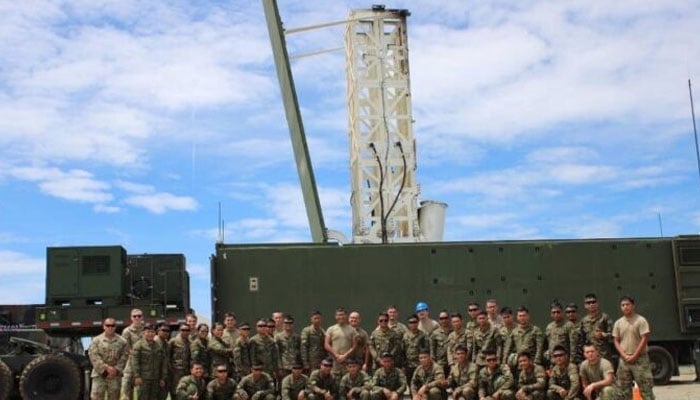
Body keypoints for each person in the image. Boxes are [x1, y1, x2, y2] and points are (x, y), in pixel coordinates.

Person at [612, 295, 655, 400]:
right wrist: (624, 355)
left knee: (646, 390)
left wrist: (635, 355)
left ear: (633, 306)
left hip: (640, 359)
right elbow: (615, 340)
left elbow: (644, 339)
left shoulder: (641, 320)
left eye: (627, 304)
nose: (625, 307)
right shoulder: (618, 323)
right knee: (622, 392)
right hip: (624, 360)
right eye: (623, 305)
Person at [88, 317, 130, 400]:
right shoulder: (96, 340)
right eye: (108, 325)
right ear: (104, 327)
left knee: (114, 397)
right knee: (96, 397)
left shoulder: (122, 341)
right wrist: (106, 368)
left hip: (115, 375)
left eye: (112, 325)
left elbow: (124, 356)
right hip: (99, 374)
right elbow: (93, 355)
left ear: (115, 327)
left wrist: (116, 369)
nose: (110, 327)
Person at [132, 323, 167, 400]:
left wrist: (162, 378)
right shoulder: (138, 345)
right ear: (143, 333)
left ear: (155, 333)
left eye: (152, 332)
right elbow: (135, 362)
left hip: (156, 378)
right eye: (148, 332)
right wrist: (137, 376)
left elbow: (163, 362)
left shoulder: (158, 346)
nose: (150, 334)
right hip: (143, 379)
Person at [121, 309, 145, 400]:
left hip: (143, 364)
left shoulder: (145, 330)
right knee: (126, 391)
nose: (137, 318)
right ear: (131, 318)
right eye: (134, 316)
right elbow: (125, 348)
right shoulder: (127, 331)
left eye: (139, 316)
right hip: (130, 364)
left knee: (142, 392)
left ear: (142, 317)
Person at [325, 308, 357, 378]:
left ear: (346, 316)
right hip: (334, 361)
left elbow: (354, 346)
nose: (341, 317)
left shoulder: (352, 330)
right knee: (334, 381)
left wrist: (345, 356)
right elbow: (326, 344)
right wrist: (336, 355)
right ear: (335, 317)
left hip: (347, 362)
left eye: (342, 315)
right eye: (338, 315)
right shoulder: (331, 329)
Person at [581, 294, 613, 361]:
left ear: (597, 304)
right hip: (590, 355)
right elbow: (582, 340)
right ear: (585, 306)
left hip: (604, 354)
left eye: (593, 302)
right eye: (588, 303)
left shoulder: (605, 317)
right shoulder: (583, 321)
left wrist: (603, 335)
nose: (591, 304)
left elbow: (613, 335)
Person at [545, 302, 576, 366]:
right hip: (553, 361)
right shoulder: (549, 327)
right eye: (553, 312)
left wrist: (572, 361)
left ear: (562, 313)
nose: (556, 314)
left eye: (558, 312)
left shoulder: (569, 325)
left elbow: (573, 345)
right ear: (551, 314)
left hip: (565, 361)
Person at [168, 324, 192, 399]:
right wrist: (170, 369)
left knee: (185, 391)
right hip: (175, 372)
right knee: (175, 391)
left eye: (187, 330)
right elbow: (167, 356)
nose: (185, 332)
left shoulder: (190, 342)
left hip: (186, 371)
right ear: (179, 330)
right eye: (183, 330)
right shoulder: (173, 341)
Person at [402, 315, 428, 386]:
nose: (413, 324)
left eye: (414, 322)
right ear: (408, 324)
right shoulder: (405, 336)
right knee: (411, 386)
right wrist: (403, 366)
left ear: (418, 323)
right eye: (411, 322)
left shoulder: (423, 335)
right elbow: (402, 351)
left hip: (420, 365)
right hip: (409, 366)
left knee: (421, 385)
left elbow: (426, 350)